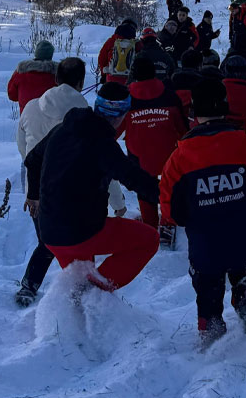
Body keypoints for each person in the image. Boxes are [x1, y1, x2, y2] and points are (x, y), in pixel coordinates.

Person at [160, 78, 246, 347]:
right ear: (225, 106)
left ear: (193, 112)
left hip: (206, 248)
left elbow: (170, 213)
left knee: (207, 291)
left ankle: (210, 334)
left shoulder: (178, 158)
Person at [24, 83, 159, 294]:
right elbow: (134, 178)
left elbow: (32, 160)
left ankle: (78, 312)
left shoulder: (63, 129)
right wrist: (173, 197)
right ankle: (97, 292)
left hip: (50, 232)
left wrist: (33, 196)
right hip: (82, 232)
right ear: (123, 114)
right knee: (149, 239)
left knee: (80, 285)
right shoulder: (103, 144)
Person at [14, 58, 127, 305]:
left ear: (56, 79)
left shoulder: (31, 107)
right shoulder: (86, 117)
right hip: (76, 191)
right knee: (76, 243)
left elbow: (23, 147)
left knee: (49, 240)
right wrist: (118, 203)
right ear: (81, 82)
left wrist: (32, 188)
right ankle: (79, 297)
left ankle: (32, 287)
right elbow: (103, 165)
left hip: (38, 189)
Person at [120, 58, 187, 243]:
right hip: (169, 153)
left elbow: (114, 129)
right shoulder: (170, 96)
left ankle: (150, 225)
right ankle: (167, 222)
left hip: (139, 155)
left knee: (143, 186)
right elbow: (183, 129)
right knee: (169, 185)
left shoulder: (126, 99)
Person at [8, 41, 57, 112]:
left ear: (36, 53)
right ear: (51, 55)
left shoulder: (21, 72)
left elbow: (12, 95)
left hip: (27, 119)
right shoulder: (58, 75)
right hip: (52, 120)